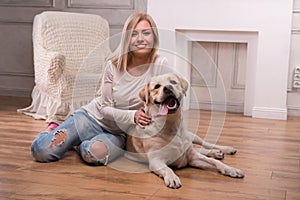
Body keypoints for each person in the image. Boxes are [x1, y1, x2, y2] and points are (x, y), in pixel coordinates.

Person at [31, 12, 171, 165]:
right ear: (127, 39)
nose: (140, 39)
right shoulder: (113, 65)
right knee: (42, 152)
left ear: (154, 37)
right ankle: (53, 129)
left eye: (146, 33)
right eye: (133, 34)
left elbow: (166, 103)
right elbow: (104, 108)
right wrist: (133, 116)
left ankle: (77, 142)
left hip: (118, 133)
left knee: (93, 155)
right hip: (90, 118)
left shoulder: (160, 64)